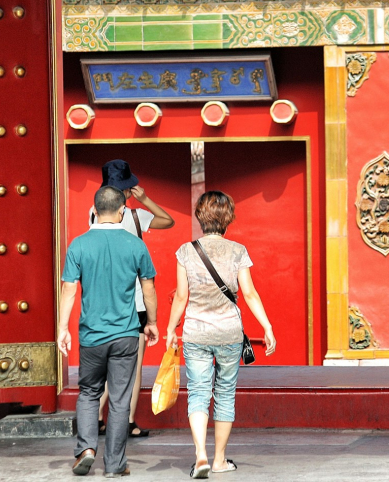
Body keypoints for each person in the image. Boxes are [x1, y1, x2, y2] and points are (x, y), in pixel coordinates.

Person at [166, 190, 276, 479]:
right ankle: (219, 460)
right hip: (228, 333)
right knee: (225, 394)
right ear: (228, 218)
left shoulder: (186, 251)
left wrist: (169, 328)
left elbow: (180, 296)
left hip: (196, 333)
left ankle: (200, 455)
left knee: (198, 393)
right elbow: (249, 293)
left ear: (200, 217)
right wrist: (267, 326)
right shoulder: (238, 251)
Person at [58, 185, 159, 477]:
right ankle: (114, 465)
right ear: (122, 211)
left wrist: (63, 328)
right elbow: (148, 288)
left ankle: (86, 449)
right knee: (119, 399)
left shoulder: (78, 244)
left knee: (89, 393)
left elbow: (68, 290)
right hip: (126, 334)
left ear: (94, 211)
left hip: (91, 336)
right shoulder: (135, 245)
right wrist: (151, 322)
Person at [91, 159, 175, 438]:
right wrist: (147, 199)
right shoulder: (136, 216)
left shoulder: (93, 215)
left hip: (103, 300)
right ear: (126, 192)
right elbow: (168, 221)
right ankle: (126, 421)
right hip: (135, 302)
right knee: (133, 364)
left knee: (105, 363)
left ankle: (96, 419)